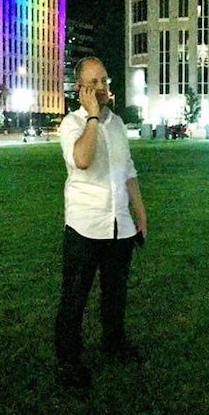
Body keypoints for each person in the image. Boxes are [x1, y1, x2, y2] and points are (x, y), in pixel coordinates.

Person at [54, 56, 148, 387]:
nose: (101, 88)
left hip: (119, 225)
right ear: (80, 88)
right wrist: (92, 117)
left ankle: (114, 343)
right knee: (75, 297)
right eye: (93, 83)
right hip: (85, 226)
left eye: (104, 81)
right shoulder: (72, 125)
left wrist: (140, 213)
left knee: (115, 294)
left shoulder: (118, 124)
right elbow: (81, 160)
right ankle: (69, 359)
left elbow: (129, 171)